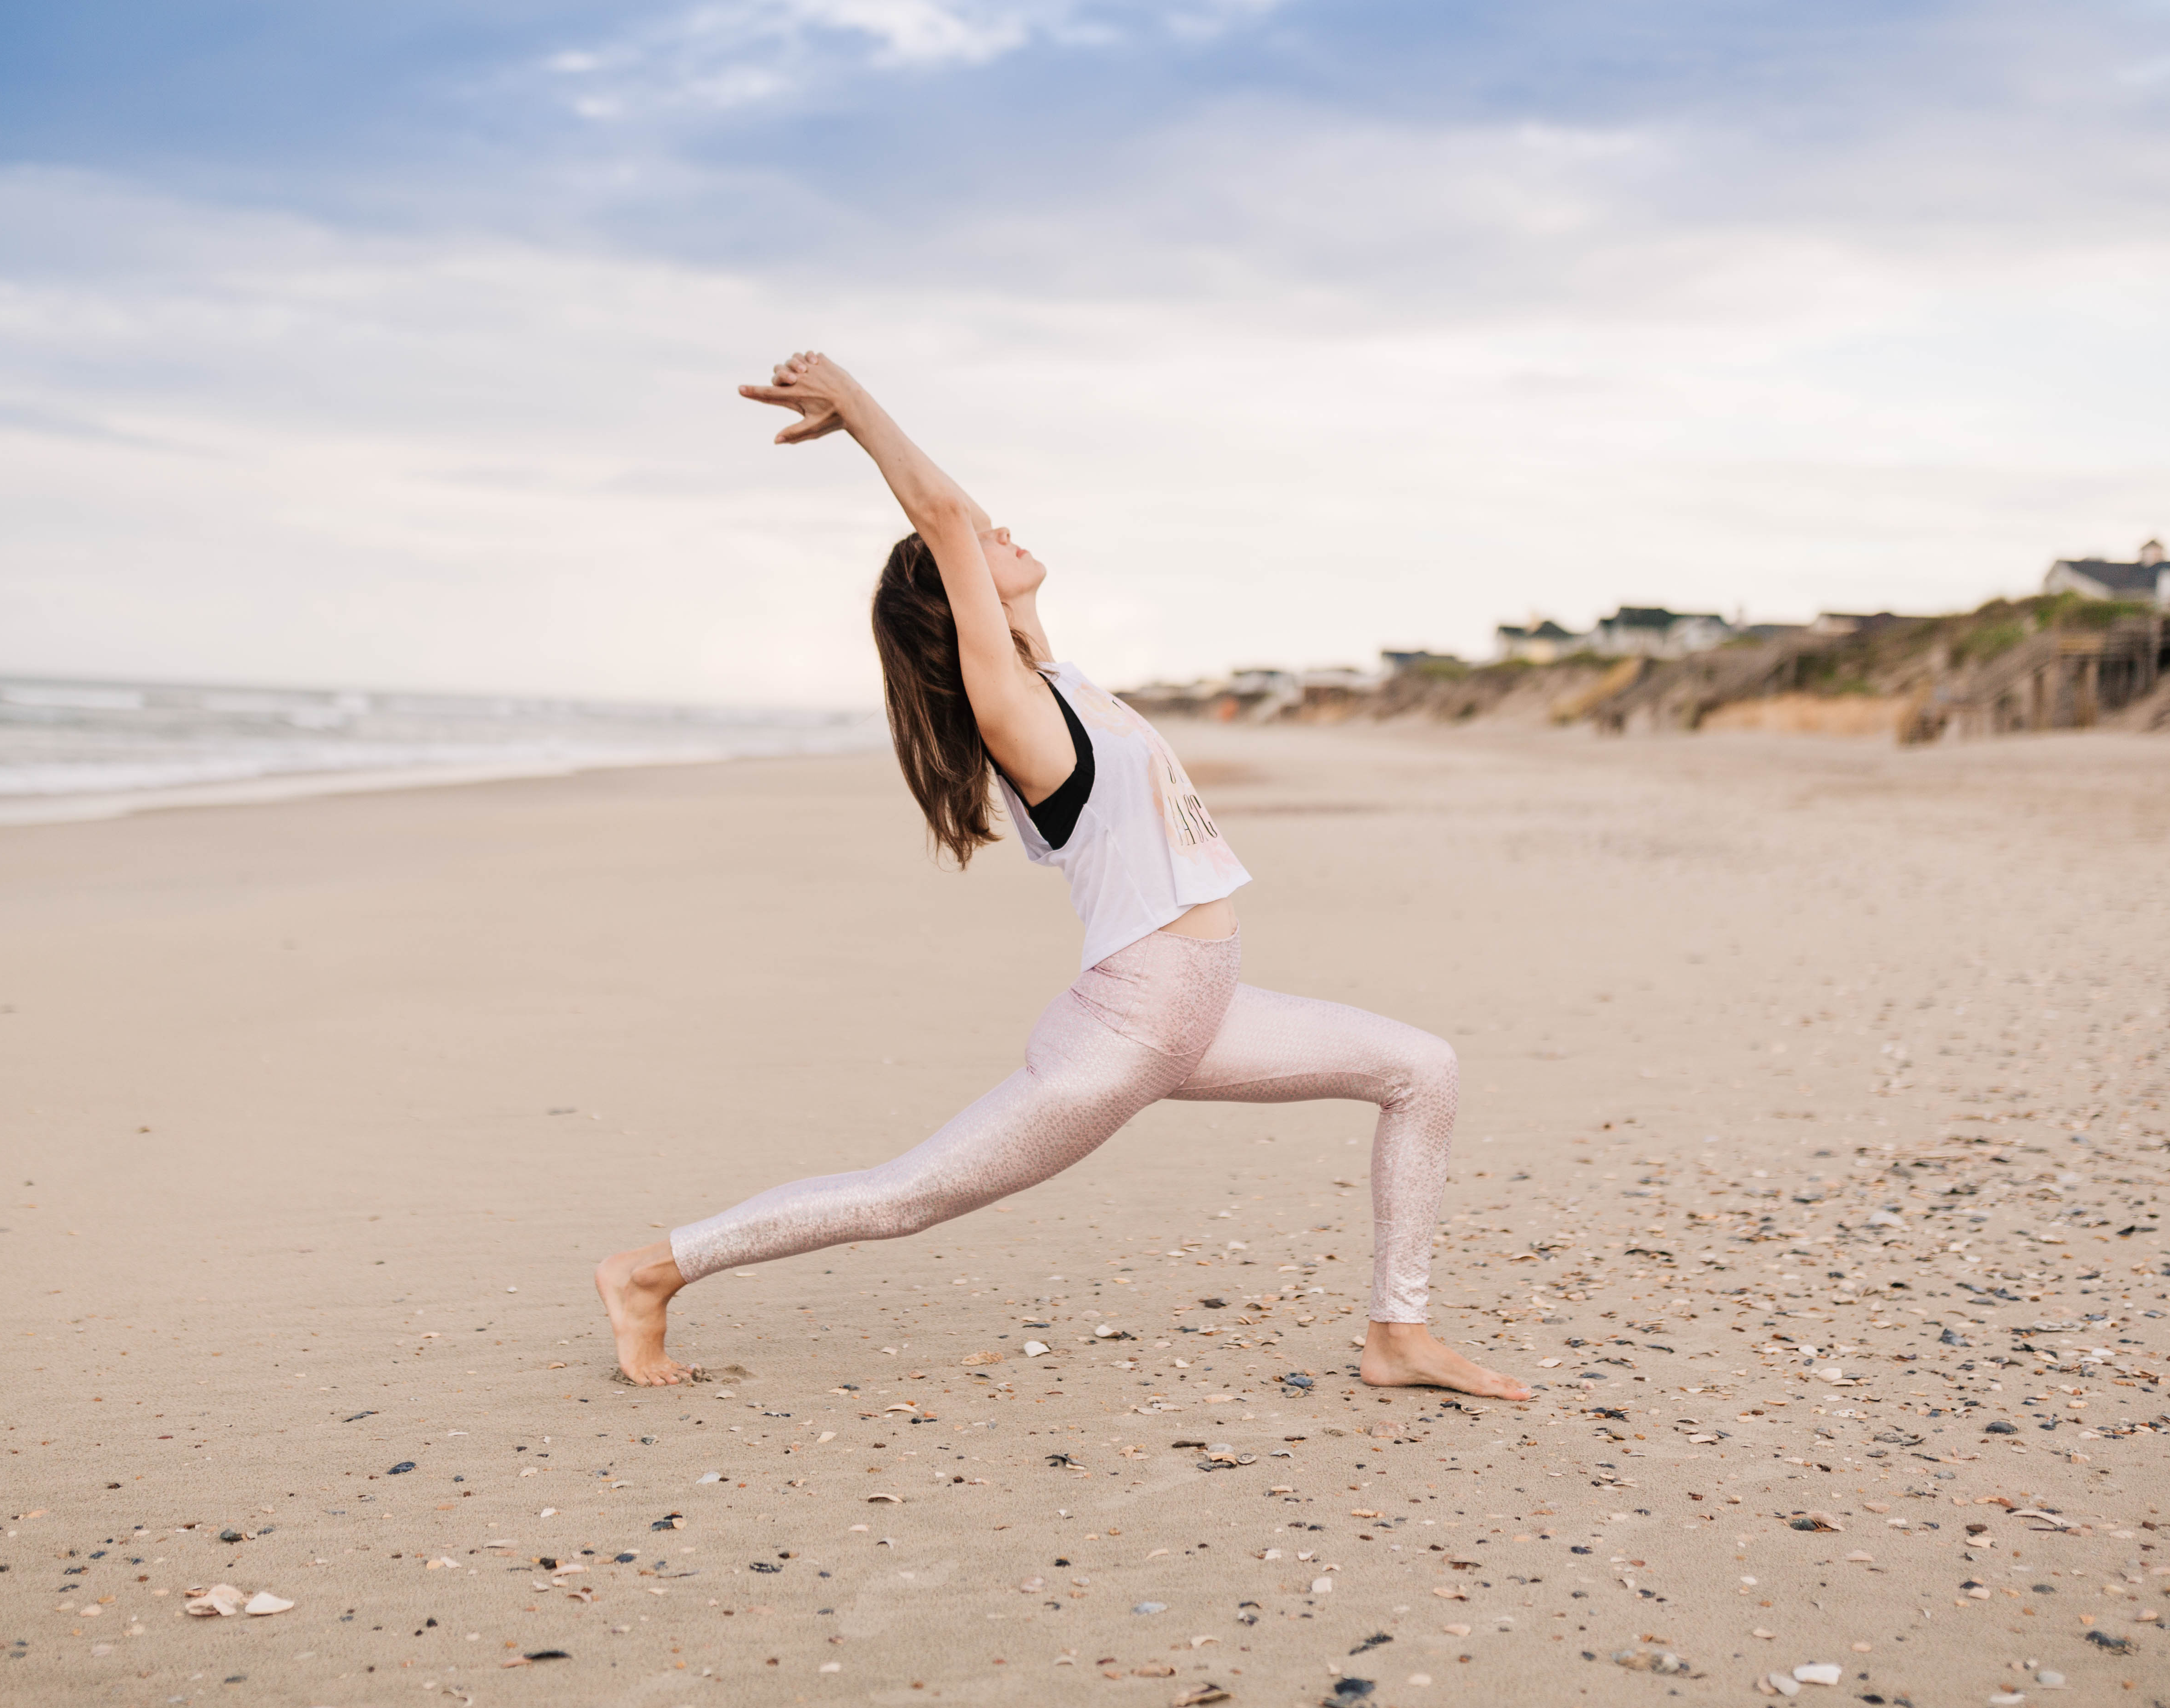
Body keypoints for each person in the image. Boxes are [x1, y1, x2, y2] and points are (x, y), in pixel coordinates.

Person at [593, 351, 1528, 1404]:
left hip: (1202, 1006)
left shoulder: (1055, 677)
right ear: (957, 602)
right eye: (977, 545)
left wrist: (946, 511)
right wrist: (858, 413)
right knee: (906, 1196)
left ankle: (1399, 1335)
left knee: (1422, 1069)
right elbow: (946, 516)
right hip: (1129, 1027)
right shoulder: (1015, 712)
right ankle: (648, 1272)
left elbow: (962, 519)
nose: (1000, 530)